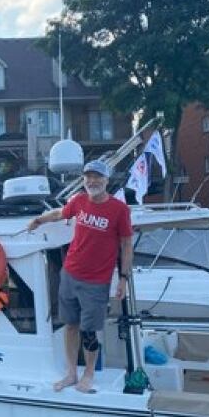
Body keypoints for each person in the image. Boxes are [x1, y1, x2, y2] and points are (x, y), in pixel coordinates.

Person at [27, 159, 133, 393]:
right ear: (83, 179)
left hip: (96, 282)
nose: (92, 181)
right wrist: (39, 220)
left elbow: (126, 245)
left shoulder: (119, 210)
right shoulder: (79, 201)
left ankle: (88, 374)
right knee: (70, 325)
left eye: (97, 177)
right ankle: (71, 373)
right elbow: (60, 213)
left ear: (106, 180)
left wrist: (123, 279)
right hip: (70, 274)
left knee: (89, 331)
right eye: (88, 176)